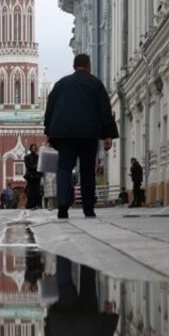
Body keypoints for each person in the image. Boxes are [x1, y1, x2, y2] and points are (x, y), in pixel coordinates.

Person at [44, 53, 120, 219]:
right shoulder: (96, 84)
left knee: (64, 168)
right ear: (89, 65)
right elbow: (104, 110)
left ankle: (63, 207)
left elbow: (49, 109)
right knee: (87, 171)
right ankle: (88, 208)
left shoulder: (61, 84)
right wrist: (108, 135)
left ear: (74, 66)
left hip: (64, 135)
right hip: (88, 134)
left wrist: (48, 132)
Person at [24, 144, 43, 209]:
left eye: (35, 148)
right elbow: (27, 165)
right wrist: (35, 167)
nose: (34, 149)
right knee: (31, 190)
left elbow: (41, 165)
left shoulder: (39, 157)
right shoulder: (27, 157)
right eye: (33, 148)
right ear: (30, 149)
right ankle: (31, 204)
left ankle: (36, 204)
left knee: (37, 190)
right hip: (31, 176)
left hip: (37, 176)